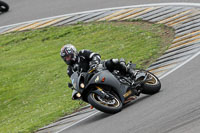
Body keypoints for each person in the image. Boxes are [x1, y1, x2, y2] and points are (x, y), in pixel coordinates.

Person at [60, 44, 136, 79]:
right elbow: (74, 80)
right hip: (90, 78)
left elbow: (95, 55)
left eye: (68, 56)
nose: (67, 59)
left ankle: (129, 71)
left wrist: (94, 63)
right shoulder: (69, 70)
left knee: (113, 61)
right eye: (65, 58)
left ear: (73, 53)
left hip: (99, 68)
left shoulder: (82, 53)